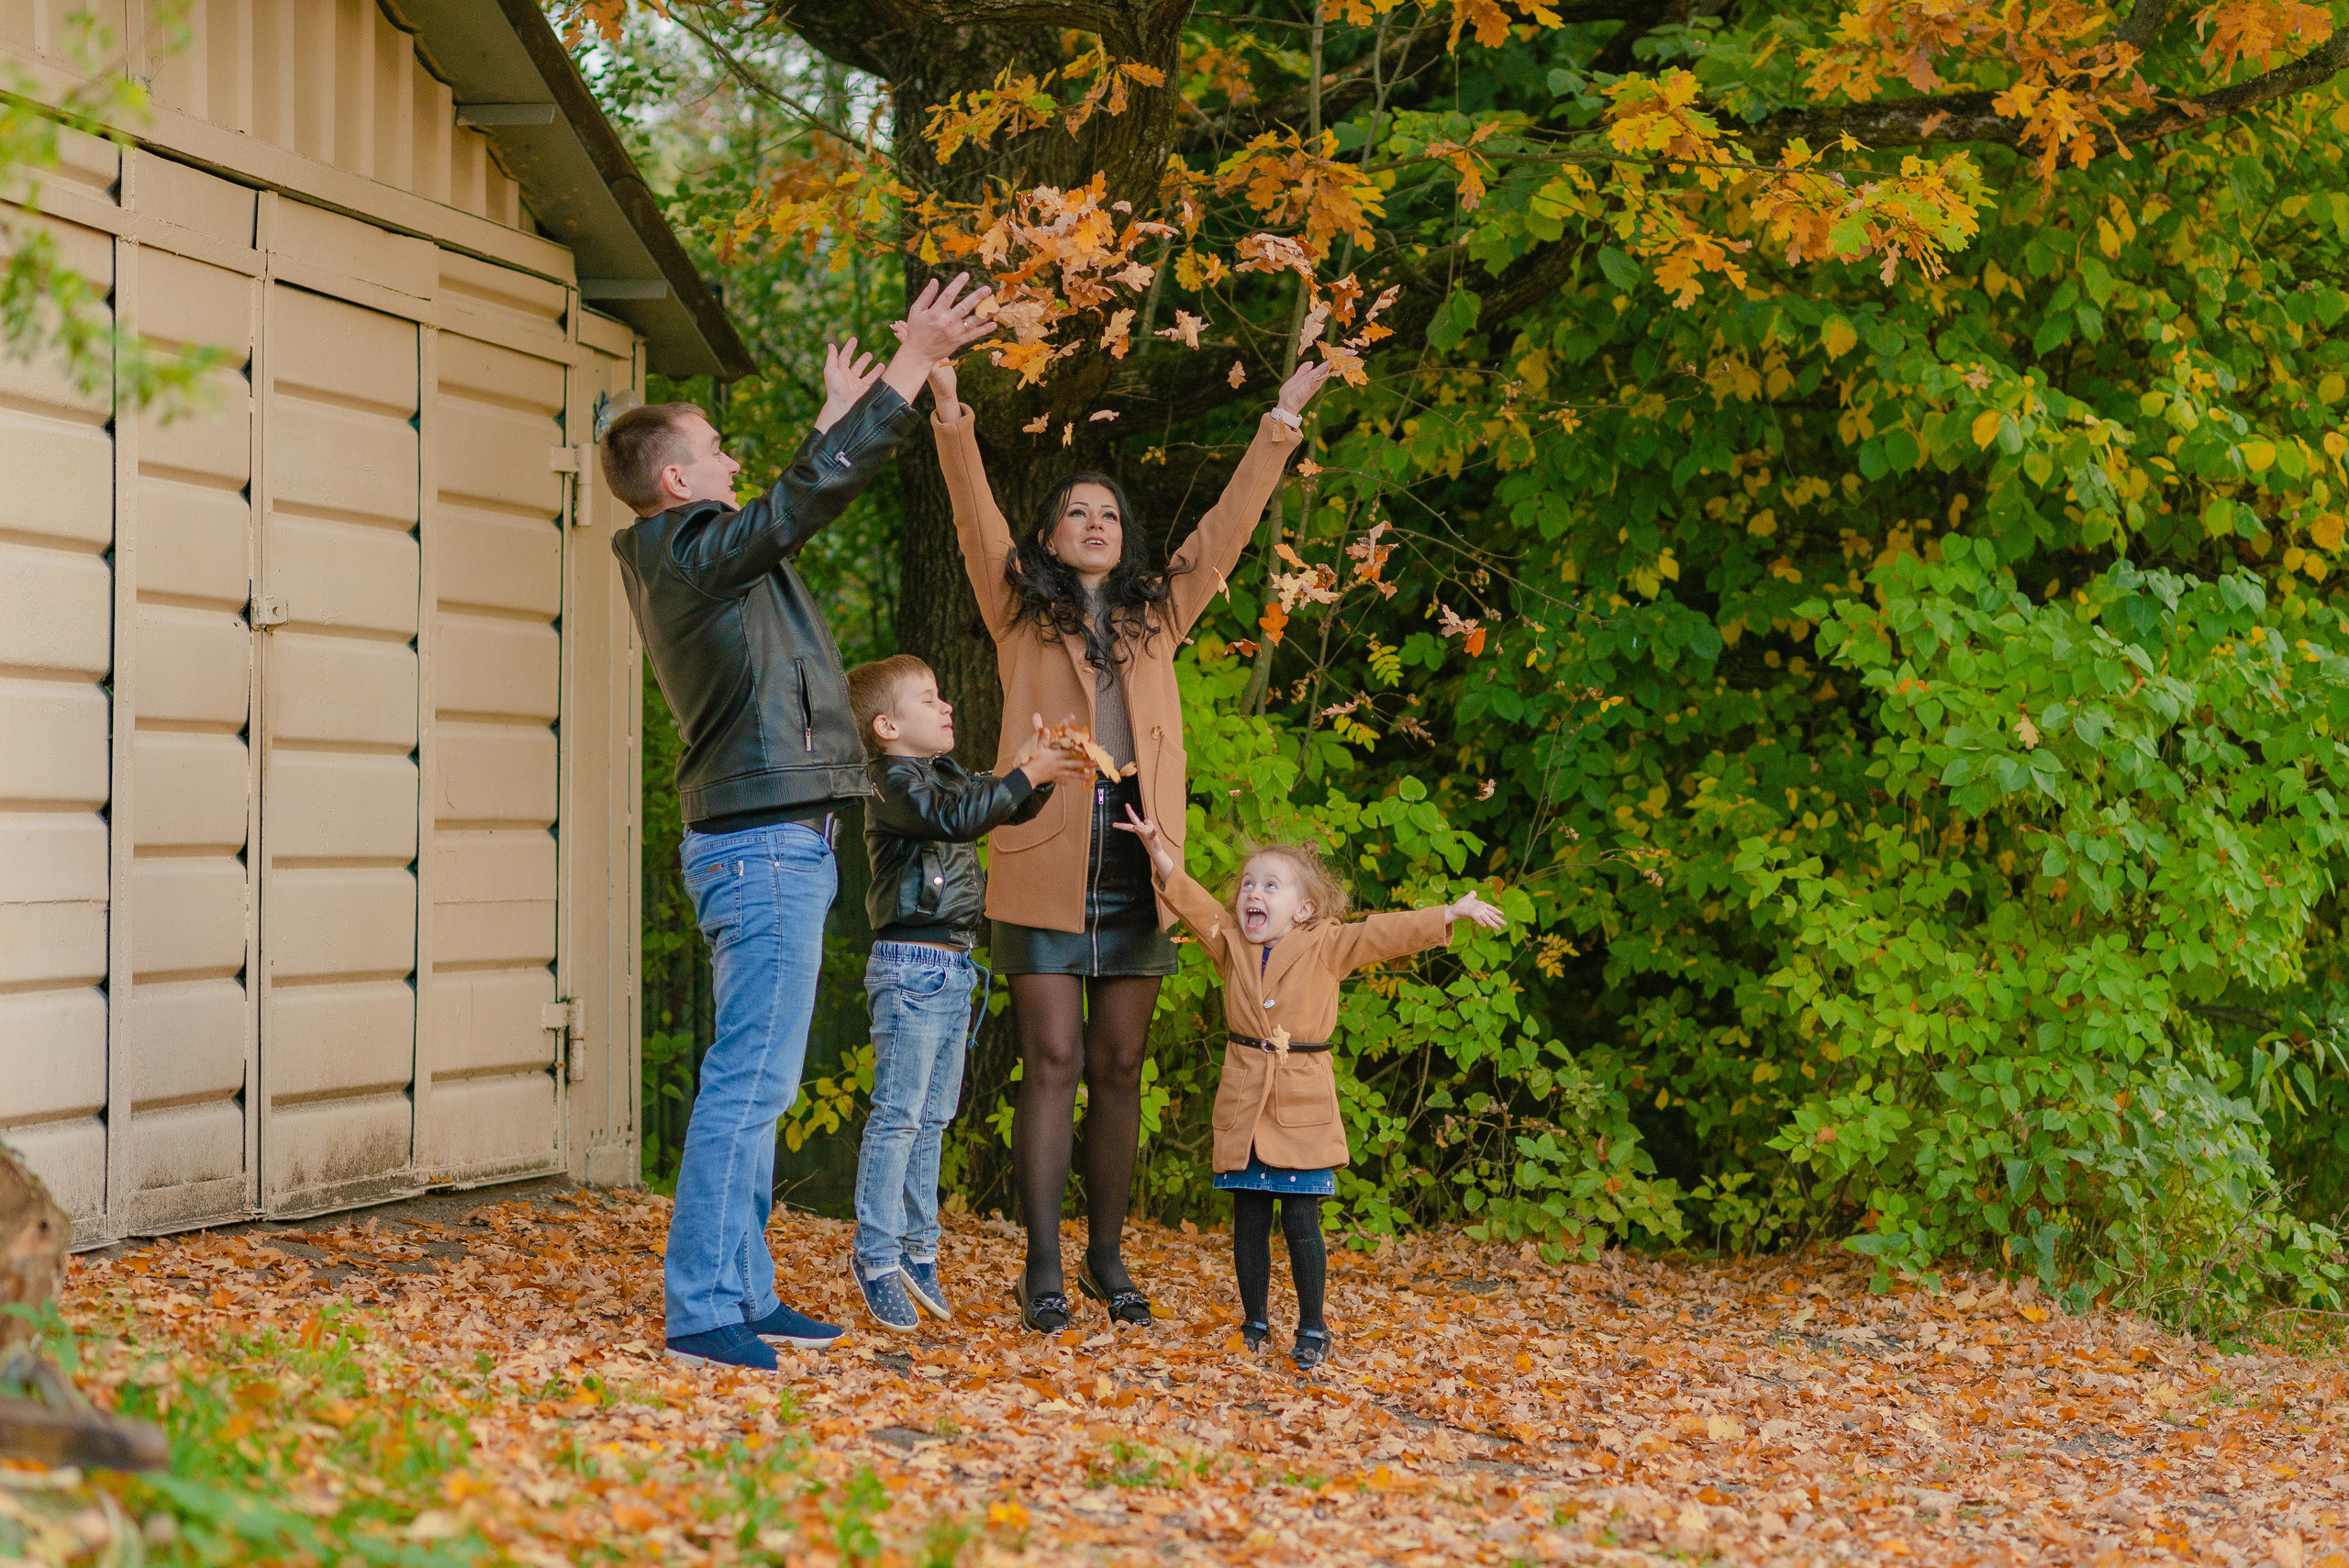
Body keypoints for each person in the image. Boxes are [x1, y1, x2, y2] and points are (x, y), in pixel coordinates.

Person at [603, 274, 995, 1373]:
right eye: (717, 450)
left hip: (778, 842)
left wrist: (833, 420)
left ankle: (746, 1287)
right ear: (678, 479)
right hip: (765, 845)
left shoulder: (694, 557)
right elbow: (793, 508)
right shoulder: (688, 552)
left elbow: (778, 510)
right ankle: (702, 1307)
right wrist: (910, 368)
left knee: (759, 1076)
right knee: (751, 1079)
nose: (733, 460)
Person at [927, 354, 1337, 1332]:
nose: (1095, 523)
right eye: (1076, 512)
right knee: (1053, 1061)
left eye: (1107, 513)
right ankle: (1040, 1268)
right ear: (1048, 536)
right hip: (1041, 855)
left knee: (1118, 1066)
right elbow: (973, 516)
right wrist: (948, 413)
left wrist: (1282, 416)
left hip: (1140, 860)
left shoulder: (1160, 613)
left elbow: (1226, 534)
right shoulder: (1015, 609)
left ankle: (1107, 1256)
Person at [1113, 808, 1508, 1367]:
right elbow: (1194, 904)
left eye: (1271, 886)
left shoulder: (1327, 944)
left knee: (1301, 1220)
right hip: (1246, 1098)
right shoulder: (1231, 945)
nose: (1254, 893)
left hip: (1301, 1101)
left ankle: (1313, 1326)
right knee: (1249, 1218)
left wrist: (1450, 912)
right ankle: (1254, 1321)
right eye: (1249, 884)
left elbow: (1382, 934)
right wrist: (1159, 855)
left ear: (1303, 909)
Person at [843, 656, 1094, 1330]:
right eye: (929, 698)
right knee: (898, 1115)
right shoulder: (893, 783)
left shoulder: (944, 775)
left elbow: (995, 806)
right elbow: (955, 819)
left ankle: (919, 1250)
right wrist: (1021, 775)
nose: (946, 704)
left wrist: (1031, 772)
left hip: (953, 966)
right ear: (889, 725)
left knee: (933, 1118)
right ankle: (875, 1254)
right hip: (911, 965)